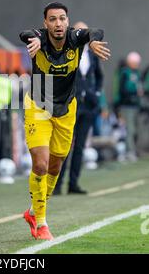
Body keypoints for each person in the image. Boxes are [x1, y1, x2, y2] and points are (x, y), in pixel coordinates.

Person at [19, 2, 110, 240]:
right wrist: (35, 40)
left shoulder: (75, 39)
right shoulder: (38, 38)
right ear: (45, 23)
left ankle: (32, 212)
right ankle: (41, 222)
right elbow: (25, 34)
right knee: (40, 164)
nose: (58, 24)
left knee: (55, 167)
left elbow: (95, 31)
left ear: (67, 22)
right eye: (52, 19)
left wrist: (92, 40)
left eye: (62, 19)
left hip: (66, 109)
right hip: (38, 107)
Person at [54, 21, 104, 195]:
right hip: (71, 105)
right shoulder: (67, 52)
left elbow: (99, 76)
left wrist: (96, 93)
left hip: (88, 106)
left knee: (80, 146)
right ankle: (57, 184)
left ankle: (73, 183)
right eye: (78, 30)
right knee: (65, 146)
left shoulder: (92, 54)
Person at [118, 51, 143, 162]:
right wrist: (134, 93)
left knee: (135, 129)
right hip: (127, 106)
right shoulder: (125, 73)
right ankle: (129, 151)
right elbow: (122, 90)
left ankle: (132, 150)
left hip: (135, 106)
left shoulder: (136, 73)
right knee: (129, 129)